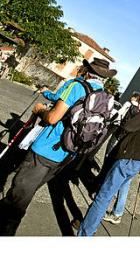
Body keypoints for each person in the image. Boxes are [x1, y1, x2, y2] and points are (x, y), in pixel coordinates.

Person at [0, 58, 117, 236]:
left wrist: (39, 110)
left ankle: (6, 229)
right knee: (31, 187)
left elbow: (53, 118)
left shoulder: (76, 86)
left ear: (87, 70)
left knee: (20, 194)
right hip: (68, 153)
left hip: (46, 149)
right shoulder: (103, 95)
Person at [77, 86, 140, 236]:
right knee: (118, 188)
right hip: (138, 159)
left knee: (103, 196)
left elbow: (127, 126)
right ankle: (95, 222)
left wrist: (135, 110)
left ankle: (85, 233)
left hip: (129, 159)